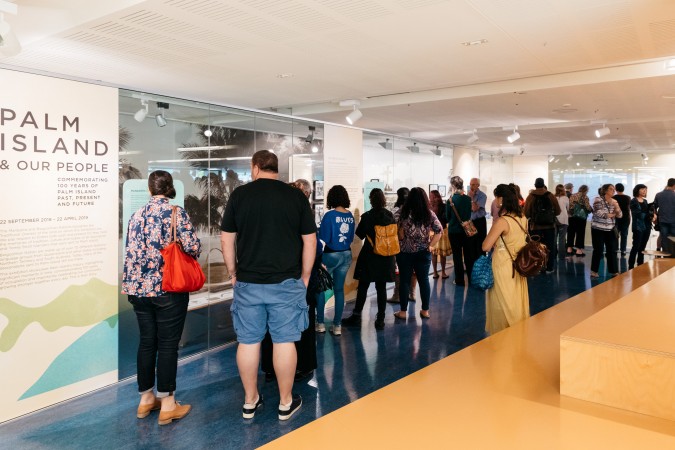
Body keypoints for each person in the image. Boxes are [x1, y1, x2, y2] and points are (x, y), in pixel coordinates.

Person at [221, 150, 316, 421]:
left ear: (255, 168)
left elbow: (227, 240)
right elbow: (309, 240)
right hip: (287, 282)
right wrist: (306, 276)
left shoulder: (240, 195)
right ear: (276, 168)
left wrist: (233, 273)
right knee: (285, 341)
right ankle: (286, 403)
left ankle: (250, 401)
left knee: (248, 341)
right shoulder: (295, 196)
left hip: (248, 281)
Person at [122, 170, 202, 425]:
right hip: (168, 289)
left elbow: (131, 251)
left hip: (138, 290)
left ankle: (146, 399)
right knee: (167, 345)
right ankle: (167, 403)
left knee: (147, 342)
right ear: (169, 189)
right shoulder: (176, 213)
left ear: (149, 189)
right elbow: (193, 247)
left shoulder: (135, 216)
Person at [261, 179, 321, 383]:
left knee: (272, 325)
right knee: (302, 325)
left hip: (274, 279)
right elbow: (314, 248)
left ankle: (271, 367)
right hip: (299, 279)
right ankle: (302, 366)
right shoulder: (304, 216)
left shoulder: (274, 216)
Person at [342, 188, 396, 330]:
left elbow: (359, 235)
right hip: (386, 257)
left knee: (363, 286)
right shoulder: (390, 215)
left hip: (370, 255)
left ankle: (357, 315)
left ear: (371, 200)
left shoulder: (367, 216)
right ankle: (380, 318)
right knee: (381, 288)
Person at [482, 184, 529, 335]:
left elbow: (485, 246)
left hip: (503, 265)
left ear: (501, 199)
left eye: (496, 196)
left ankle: (502, 335)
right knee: (515, 298)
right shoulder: (522, 218)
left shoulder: (502, 221)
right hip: (518, 264)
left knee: (501, 300)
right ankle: (516, 332)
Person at [394, 187, 442, 320]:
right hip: (423, 252)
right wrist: (431, 245)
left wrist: (401, 232)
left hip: (404, 252)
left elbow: (392, 222)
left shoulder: (402, 212)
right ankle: (425, 310)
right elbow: (439, 231)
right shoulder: (429, 214)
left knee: (404, 281)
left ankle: (403, 312)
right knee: (424, 280)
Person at [318, 185, 355, 336]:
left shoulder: (329, 216)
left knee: (320, 289)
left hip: (330, 255)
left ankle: (320, 323)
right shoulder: (350, 215)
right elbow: (351, 238)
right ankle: (337, 325)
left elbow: (323, 239)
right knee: (339, 290)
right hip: (346, 255)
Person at [524, 177, 560, 272]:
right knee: (550, 247)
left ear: (535, 185)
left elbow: (526, 213)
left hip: (535, 227)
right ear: (544, 185)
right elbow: (558, 211)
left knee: (535, 247)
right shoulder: (550, 195)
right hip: (550, 226)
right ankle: (549, 267)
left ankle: (537, 267)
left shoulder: (531, 196)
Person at [388, 187, 416, 303]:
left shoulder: (396, 210)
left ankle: (397, 294)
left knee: (399, 268)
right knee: (413, 269)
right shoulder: (415, 210)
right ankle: (412, 293)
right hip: (414, 245)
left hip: (399, 244)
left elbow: (392, 227)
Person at [447, 176, 475, 286]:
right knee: (468, 255)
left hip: (454, 231)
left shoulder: (450, 200)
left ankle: (459, 280)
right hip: (467, 230)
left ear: (453, 185)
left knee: (457, 256)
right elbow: (469, 214)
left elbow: (448, 217)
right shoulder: (468, 199)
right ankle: (471, 279)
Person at [590, 184, 622, 278]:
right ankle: (594, 271)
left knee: (612, 250)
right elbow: (601, 214)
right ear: (605, 190)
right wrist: (612, 214)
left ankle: (614, 271)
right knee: (598, 250)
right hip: (598, 229)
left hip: (610, 229)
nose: (613, 191)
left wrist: (616, 208)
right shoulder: (598, 200)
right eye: (611, 189)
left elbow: (620, 215)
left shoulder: (615, 201)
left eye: (614, 189)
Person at [628, 184, 652, 270]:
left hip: (647, 226)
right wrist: (649, 214)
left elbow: (647, 214)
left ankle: (640, 264)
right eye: (642, 189)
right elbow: (638, 214)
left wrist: (652, 215)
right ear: (637, 190)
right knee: (636, 246)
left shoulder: (645, 201)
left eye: (645, 190)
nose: (644, 191)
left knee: (642, 247)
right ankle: (631, 265)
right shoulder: (633, 201)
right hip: (638, 227)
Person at [429, 189, 450, 278]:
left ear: (437, 197)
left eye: (433, 196)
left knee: (442, 254)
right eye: (431, 196)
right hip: (433, 232)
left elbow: (446, 218)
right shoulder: (429, 207)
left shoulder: (443, 206)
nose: (432, 198)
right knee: (434, 253)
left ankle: (443, 272)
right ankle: (435, 272)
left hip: (442, 231)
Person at [566, 185, 592, 257]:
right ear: (586, 190)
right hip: (581, 218)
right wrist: (591, 210)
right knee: (580, 233)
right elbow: (587, 207)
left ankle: (569, 249)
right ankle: (578, 251)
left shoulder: (572, 195)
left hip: (571, 217)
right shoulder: (585, 196)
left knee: (571, 232)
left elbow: (569, 206)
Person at [653, 178, 675, 256]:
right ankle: (672, 255)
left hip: (662, 220)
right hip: (673, 220)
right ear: (674, 185)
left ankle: (665, 253)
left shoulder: (659, 194)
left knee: (663, 237)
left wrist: (655, 217)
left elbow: (654, 207)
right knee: (673, 238)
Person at [468, 178, 487, 254]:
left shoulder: (482, 196)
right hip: (471, 222)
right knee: (471, 244)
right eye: (470, 184)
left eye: (473, 185)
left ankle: (481, 264)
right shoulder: (468, 195)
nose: (471, 187)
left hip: (480, 222)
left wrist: (472, 198)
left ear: (478, 185)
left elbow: (474, 208)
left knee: (480, 243)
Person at [613, 183, 631, 257]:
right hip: (626, 219)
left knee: (615, 235)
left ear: (616, 189)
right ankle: (623, 250)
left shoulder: (613, 197)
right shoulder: (628, 197)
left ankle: (615, 249)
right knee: (624, 235)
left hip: (616, 218)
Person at [554, 184, 569, 260]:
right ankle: (561, 256)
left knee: (554, 238)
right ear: (563, 190)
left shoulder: (553, 198)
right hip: (563, 220)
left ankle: (553, 255)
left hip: (555, 219)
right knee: (562, 239)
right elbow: (568, 208)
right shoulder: (566, 198)